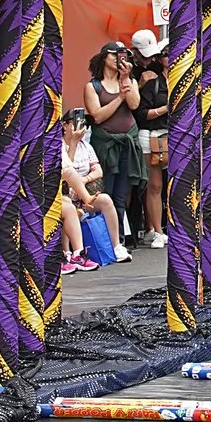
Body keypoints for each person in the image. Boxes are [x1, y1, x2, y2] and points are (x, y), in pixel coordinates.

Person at [83, 42, 147, 244]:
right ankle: (105, 241)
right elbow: (98, 116)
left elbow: (134, 104)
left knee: (122, 195)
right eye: (114, 54)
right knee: (105, 193)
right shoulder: (93, 86)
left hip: (127, 141)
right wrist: (120, 96)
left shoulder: (130, 80)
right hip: (105, 143)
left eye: (123, 55)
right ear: (104, 57)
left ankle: (118, 240)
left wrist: (125, 78)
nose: (119, 58)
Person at [58, 110, 132, 269]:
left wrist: (83, 181)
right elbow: (67, 168)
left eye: (83, 122)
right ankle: (68, 254)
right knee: (66, 204)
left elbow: (98, 171)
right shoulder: (60, 145)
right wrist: (73, 143)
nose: (80, 126)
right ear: (65, 125)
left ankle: (116, 246)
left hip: (83, 191)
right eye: (75, 122)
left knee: (105, 199)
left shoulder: (87, 146)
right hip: (65, 192)